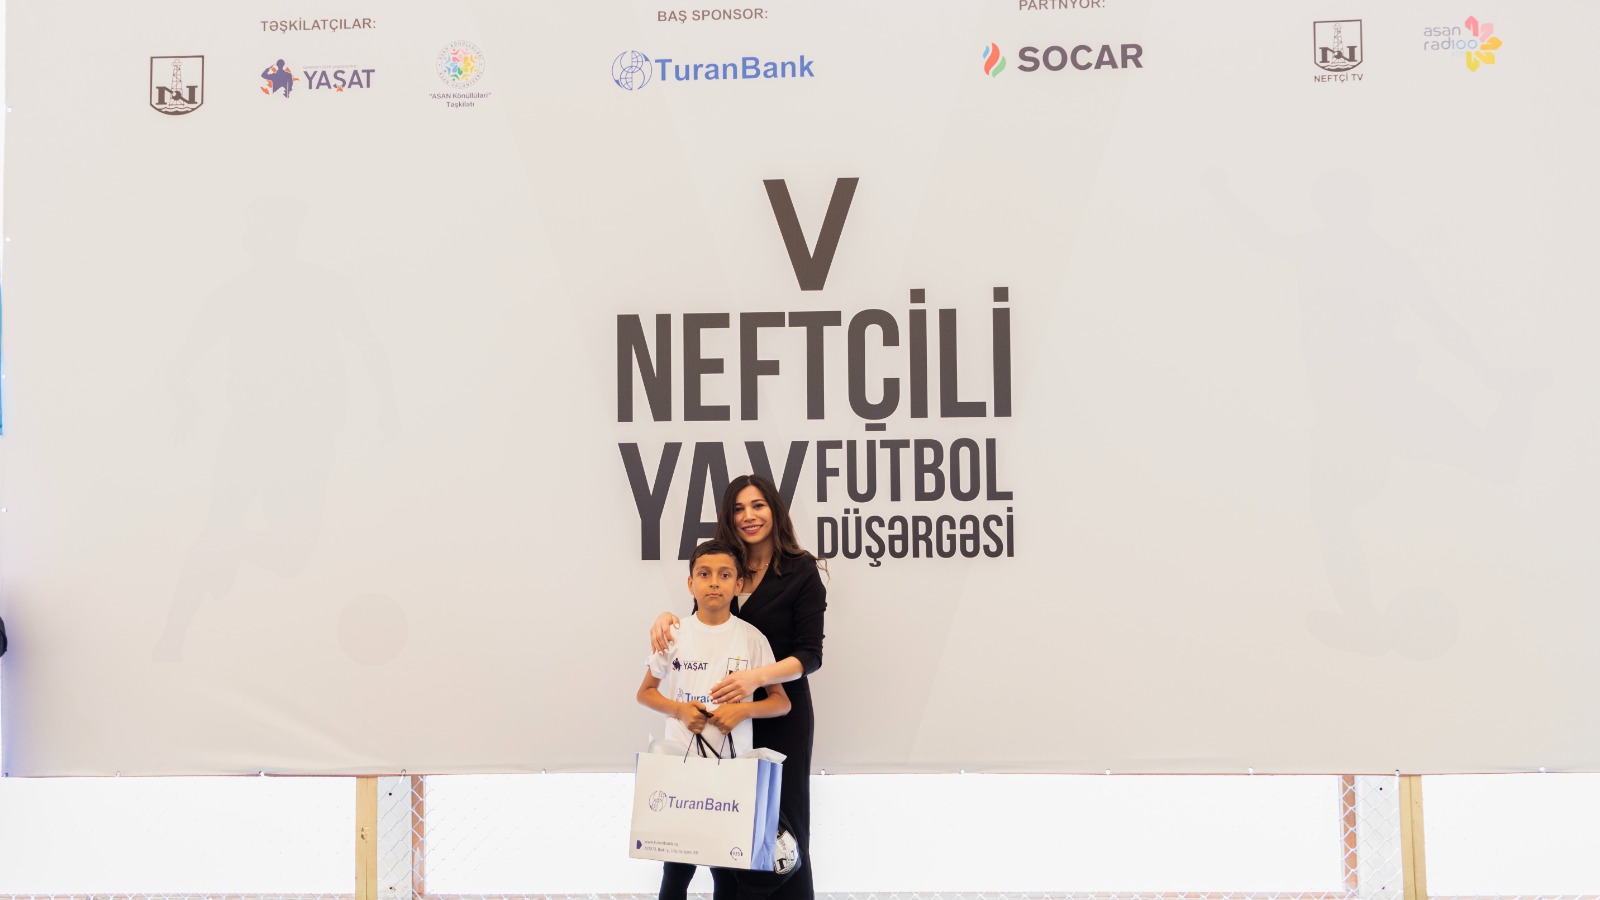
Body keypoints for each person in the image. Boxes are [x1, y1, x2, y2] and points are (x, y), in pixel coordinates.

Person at [651, 475, 826, 900]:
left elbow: (810, 655)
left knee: (783, 832)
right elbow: (704, 624)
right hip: (719, 722)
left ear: (774, 511)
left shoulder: (801, 570)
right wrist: (666, 618)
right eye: (738, 508)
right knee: (724, 833)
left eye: (758, 505)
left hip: (779, 714)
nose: (749, 516)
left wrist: (756, 679)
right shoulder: (723, 564)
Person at [637, 539, 792, 900]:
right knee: (676, 871)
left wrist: (743, 709)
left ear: (739, 584)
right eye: (704, 574)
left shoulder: (752, 639)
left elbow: (781, 702)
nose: (714, 583)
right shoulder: (674, 635)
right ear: (690, 583)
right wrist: (679, 709)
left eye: (725, 575)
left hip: (732, 776)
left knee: (727, 872)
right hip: (682, 773)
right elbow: (645, 692)